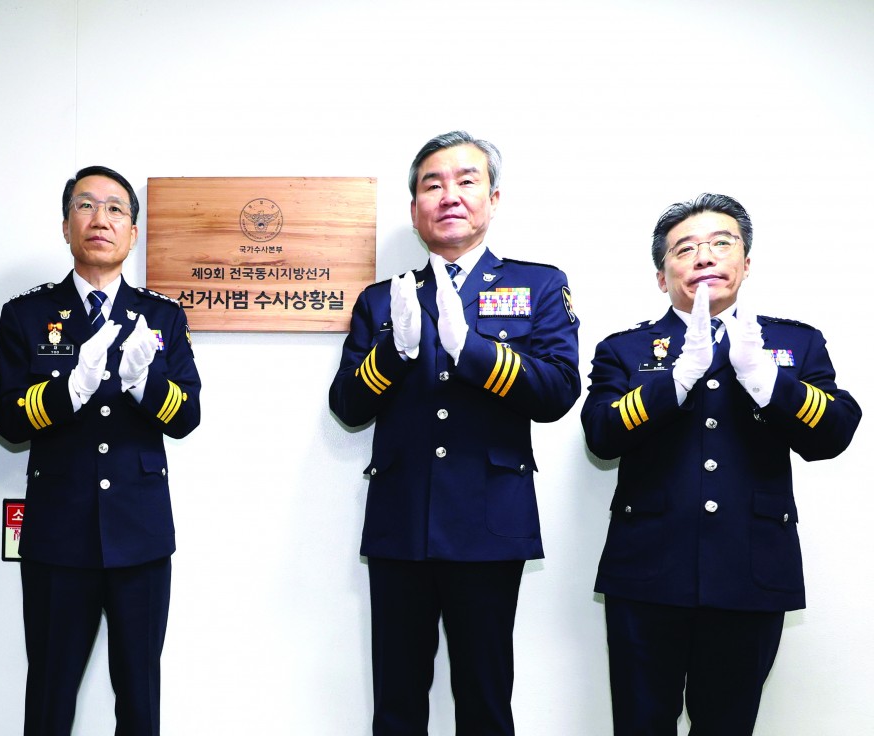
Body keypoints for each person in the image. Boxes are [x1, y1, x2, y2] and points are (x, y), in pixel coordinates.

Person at [328, 131, 580, 735]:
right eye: (432, 185)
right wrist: (393, 355)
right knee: (396, 704)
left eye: (467, 181)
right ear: (415, 208)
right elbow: (347, 406)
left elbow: (557, 392)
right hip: (401, 522)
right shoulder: (383, 299)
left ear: (493, 199)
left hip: (490, 522)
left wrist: (474, 351)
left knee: (485, 701)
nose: (449, 196)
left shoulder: (539, 286)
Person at [581, 193, 861, 735]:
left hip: (751, 569)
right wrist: (674, 381)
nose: (704, 256)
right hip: (647, 572)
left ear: (746, 263)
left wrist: (767, 380)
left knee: (728, 726)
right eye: (685, 249)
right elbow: (601, 435)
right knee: (640, 725)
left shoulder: (795, 342)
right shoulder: (624, 348)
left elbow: (834, 433)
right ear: (661, 276)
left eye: (720, 243)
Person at [0, 165, 201, 736]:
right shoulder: (27, 314)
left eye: (115, 209)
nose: (100, 219)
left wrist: (143, 384)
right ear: (66, 226)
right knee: (50, 694)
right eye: (85, 206)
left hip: (140, 534)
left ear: (133, 231)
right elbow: (6, 419)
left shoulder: (162, 315)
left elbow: (187, 417)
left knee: (139, 695)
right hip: (58, 534)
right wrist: (70, 390)